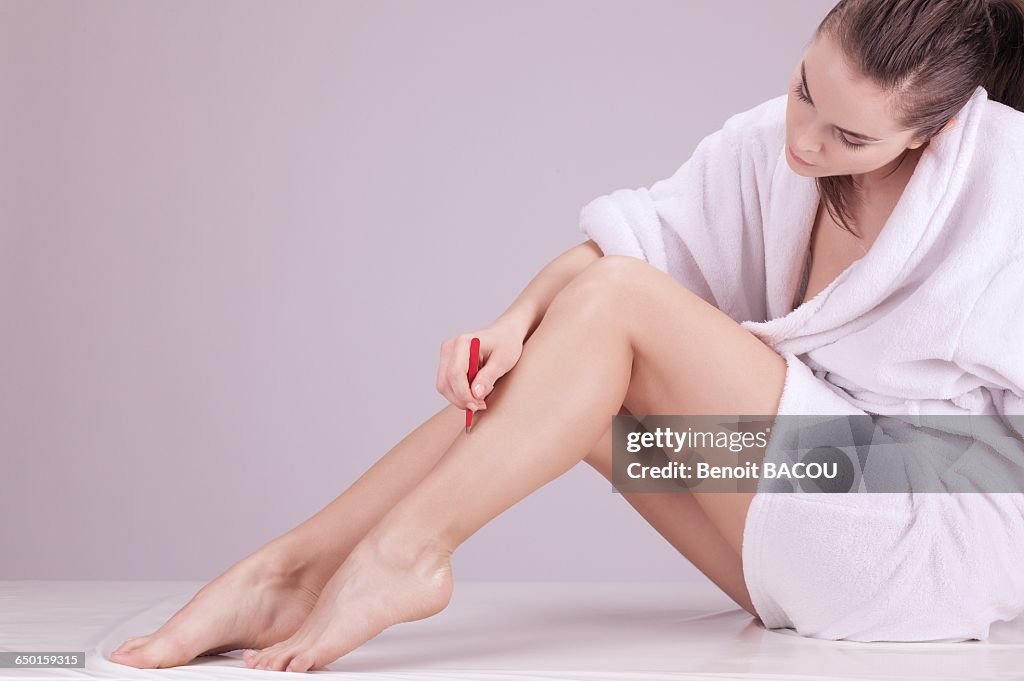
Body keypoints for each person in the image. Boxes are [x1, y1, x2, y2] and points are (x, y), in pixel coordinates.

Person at [109, 0, 1024, 671]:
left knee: (617, 308)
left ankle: (406, 555)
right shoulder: (776, 143)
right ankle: (291, 570)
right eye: (802, 90)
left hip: (921, 532)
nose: (806, 140)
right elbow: (642, 240)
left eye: (850, 137)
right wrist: (516, 321)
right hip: (798, 539)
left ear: (932, 134)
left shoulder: (1003, 186)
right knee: (568, 393)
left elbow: (626, 295)